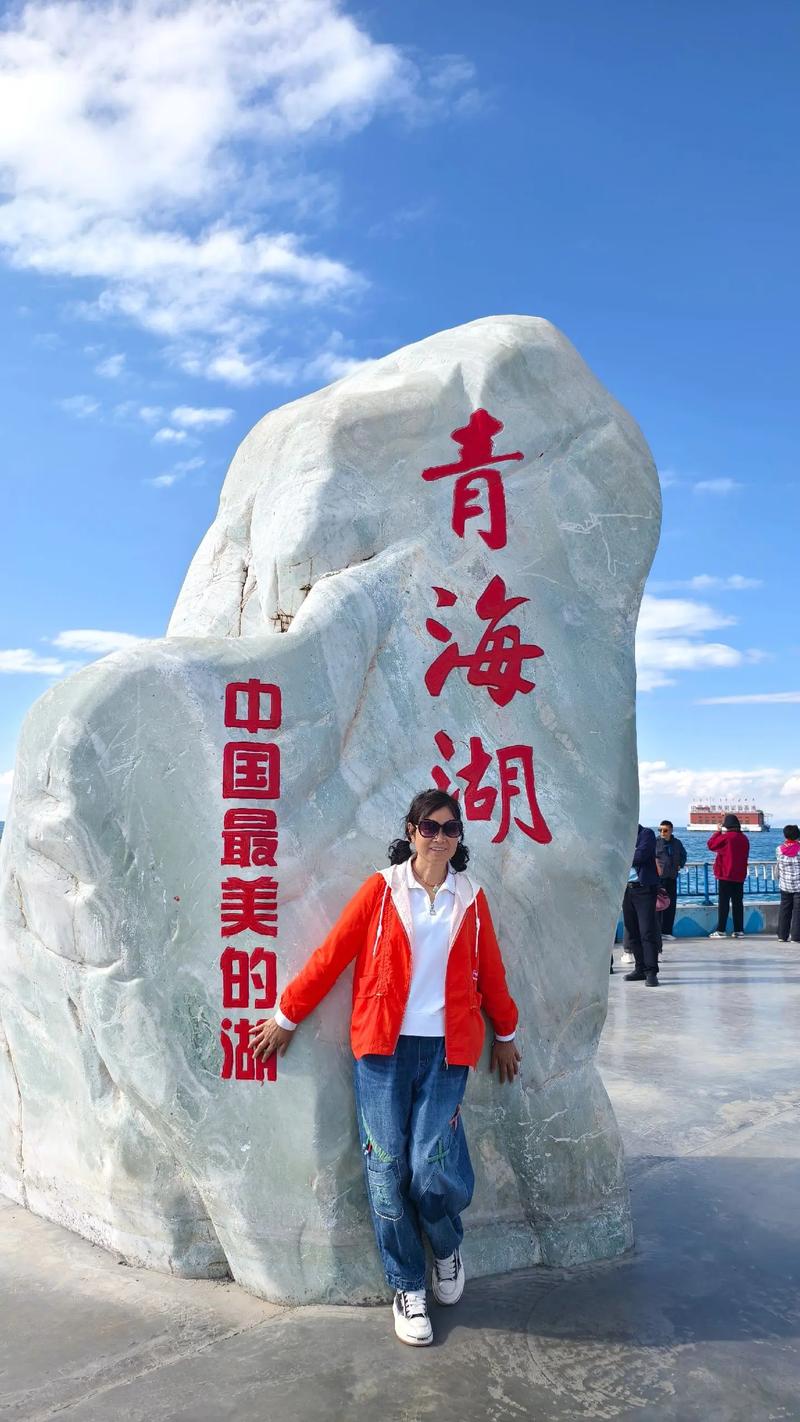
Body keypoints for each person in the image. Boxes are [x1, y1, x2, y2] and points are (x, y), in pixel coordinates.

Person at [250, 789, 520, 1347]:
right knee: (386, 1167)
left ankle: (445, 1246)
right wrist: (286, 1015)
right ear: (412, 830)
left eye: (450, 828)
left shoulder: (471, 898)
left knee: (429, 1168)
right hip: (382, 1050)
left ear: (459, 836)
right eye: (429, 827)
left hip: (447, 1052)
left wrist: (506, 1033)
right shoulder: (383, 889)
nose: (439, 837)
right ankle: (408, 1286)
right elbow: (332, 954)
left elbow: (490, 971)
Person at [622, 824, 660, 986]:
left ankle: (651, 972)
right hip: (626, 890)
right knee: (632, 931)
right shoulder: (620, 836)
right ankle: (640, 968)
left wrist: (621, 856)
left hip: (644, 890)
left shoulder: (646, 834)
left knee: (647, 931)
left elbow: (641, 856)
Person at [707, 814, 750, 939]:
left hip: (725, 874)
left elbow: (711, 845)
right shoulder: (744, 838)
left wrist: (717, 832)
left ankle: (721, 930)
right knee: (738, 903)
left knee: (724, 903)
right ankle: (739, 930)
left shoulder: (726, 837)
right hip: (739, 874)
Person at [655, 820, 687, 941]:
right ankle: (657, 931)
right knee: (658, 906)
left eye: (665, 830)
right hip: (659, 879)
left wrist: (680, 864)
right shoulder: (655, 843)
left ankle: (667, 932)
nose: (662, 833)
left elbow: (683, 855)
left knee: (671, 905)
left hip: (672, 878)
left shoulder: (677, 843)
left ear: (671, 830)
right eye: (660, 830)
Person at [776, 824, 800, 943]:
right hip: (798, 885)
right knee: (798, 912)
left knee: (784, 910)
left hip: (785, 884)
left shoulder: (779, 849)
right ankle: (796, 936)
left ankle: (782, 935)